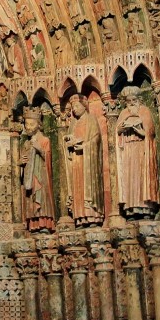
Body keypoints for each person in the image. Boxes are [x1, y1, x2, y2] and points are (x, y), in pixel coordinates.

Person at [115, 87, 159, 218]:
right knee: (129, 178)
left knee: (141, 176)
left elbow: (150, 131)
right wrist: (122, 128)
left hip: (141, 147)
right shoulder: (123, 113)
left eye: (134, 100)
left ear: (139, 100)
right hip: (128, 149)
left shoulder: (144, 111)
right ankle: (131, 208)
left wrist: (137, 128)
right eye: (128, 101)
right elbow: (117, 131)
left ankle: (146, 208)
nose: (131, 103)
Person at [62, 94, 104, 226]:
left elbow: (96, 139)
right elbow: (70, 140)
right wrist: (68, 142)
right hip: (76, 160)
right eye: (73, 107)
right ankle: (80, 217)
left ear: (84, 106)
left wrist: (83, 145)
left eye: (77, 106)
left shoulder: (91, 119)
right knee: (78, 187)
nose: (74, 109)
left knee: (88, 186)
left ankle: (92, 216)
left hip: (88, 161)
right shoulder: (73, 124)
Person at [20, 106, 55, 232]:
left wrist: (39, 148)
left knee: (42, 196)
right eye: (26, 124)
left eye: (31, 124)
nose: (28, 127)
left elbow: (48, 157)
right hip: (30, 176)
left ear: (38, 124)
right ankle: (34, 224)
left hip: (41, 174)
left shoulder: (45, 140)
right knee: (30, 197)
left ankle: (44, 223)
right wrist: (21, 163)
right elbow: (22, 163)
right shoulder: (26, 143)